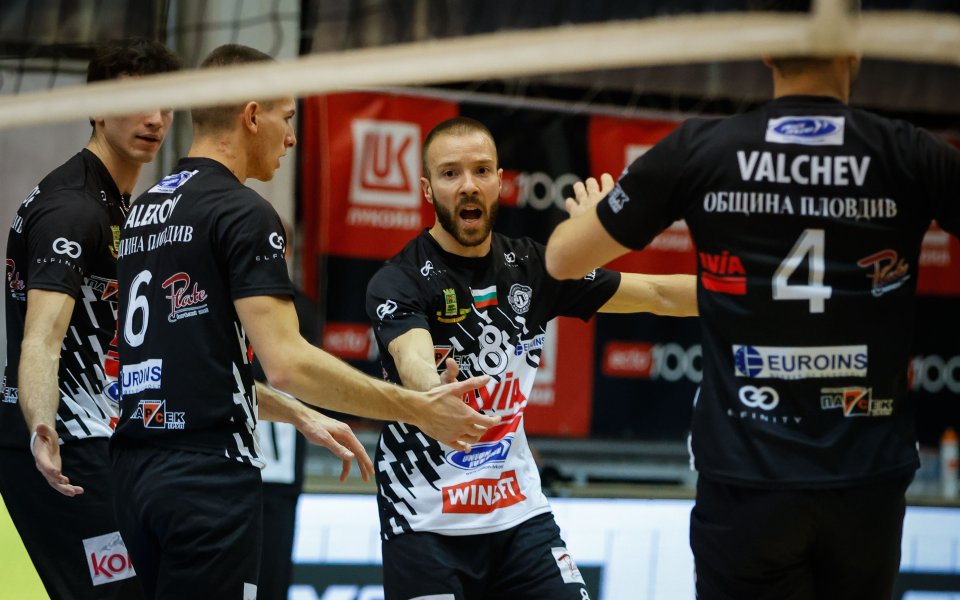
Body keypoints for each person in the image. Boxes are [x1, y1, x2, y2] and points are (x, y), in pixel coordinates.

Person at [544, 1, 960, 598]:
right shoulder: (909, 153)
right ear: (854, 46)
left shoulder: (705, 147)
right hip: (867, 480)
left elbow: (561, 262)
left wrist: (590, 218)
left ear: (765, 47)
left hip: (746, 480)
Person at [110, 45, 498, 600]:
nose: (291, 137)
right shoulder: (244, 212)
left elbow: (196, 370)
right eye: (287, 118)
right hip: (207, 481)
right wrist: (418, 409)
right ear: (251, 116)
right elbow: (288, 363)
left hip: (133, 472)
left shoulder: (145, 209)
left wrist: (299, 415)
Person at [365, 117, 696, 600]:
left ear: (500, 181)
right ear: (427, 188)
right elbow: (411, 358)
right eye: (450, 173)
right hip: (424, 521)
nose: (468, 185)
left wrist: (758, 298)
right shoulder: (400, 279)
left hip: (519, 516)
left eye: (481, 170)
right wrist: (433, 389)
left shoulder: (533, 268)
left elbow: (660, 295)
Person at [0, 38, 181, 600]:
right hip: (64, 447)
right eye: (138, 102)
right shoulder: (73, 209)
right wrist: (41, 426)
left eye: (167, 104)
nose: (155, 119)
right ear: (97, 107)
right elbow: (41, 339)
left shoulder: (119, 205)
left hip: (101, 439)